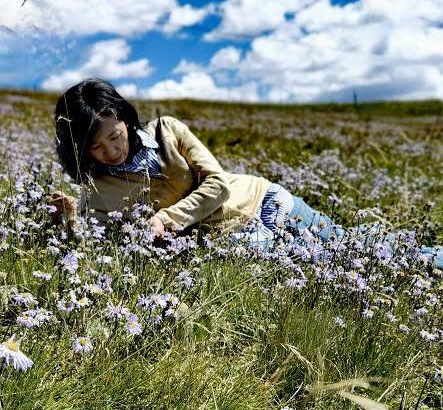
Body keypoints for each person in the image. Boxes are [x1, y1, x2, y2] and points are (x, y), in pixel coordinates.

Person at [51, 78, 442, 269]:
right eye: (96, 148)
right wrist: (68, 224)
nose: (112, 152)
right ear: (79, 150)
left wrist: (165, 219)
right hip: (240, 241)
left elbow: (218, 185)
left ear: (122, 117)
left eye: (114, 137)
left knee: (367, 251)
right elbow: (102, 246)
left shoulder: (167, 130)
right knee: (335, 270)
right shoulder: (94, 190)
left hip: (266, 201)